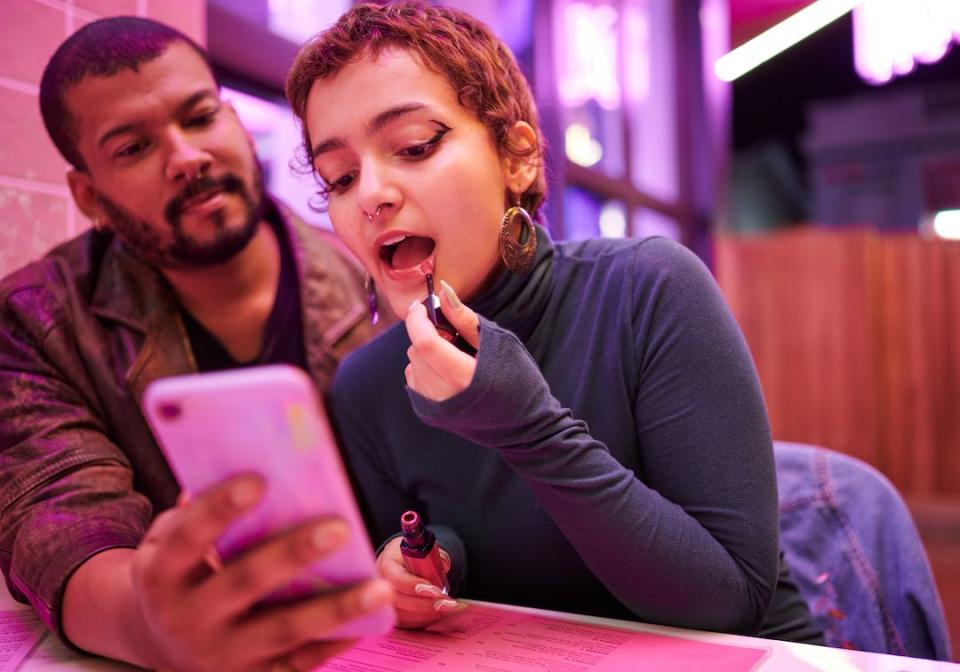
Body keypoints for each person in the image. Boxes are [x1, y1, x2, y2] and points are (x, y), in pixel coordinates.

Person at [285, 1, 823, 642]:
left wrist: (526, 427)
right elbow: (433, 539)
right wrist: (426, 566)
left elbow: (728, 602)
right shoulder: (366, 387)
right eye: (339, 177)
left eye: (414, 146)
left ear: (518, 158)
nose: (371, 194)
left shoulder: (647, 289)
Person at [0, 16, 394, 672]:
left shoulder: (374, 274)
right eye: (133, 148)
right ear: (89, 196)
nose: (187, 157)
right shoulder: (35, 321)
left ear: (239, 124)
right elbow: (60, 521)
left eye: (200, 116)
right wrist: (148, 626)